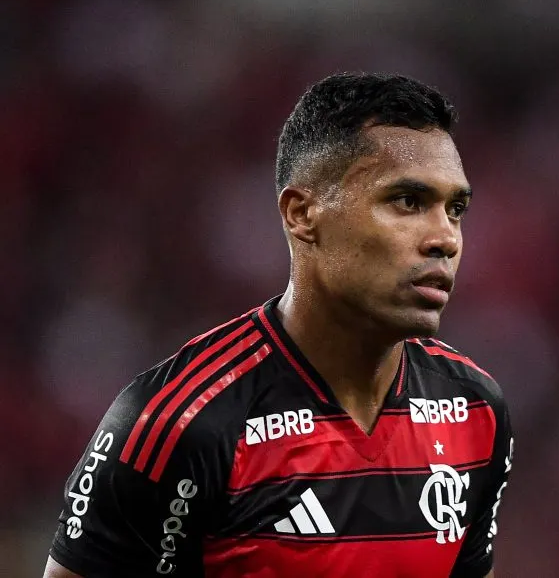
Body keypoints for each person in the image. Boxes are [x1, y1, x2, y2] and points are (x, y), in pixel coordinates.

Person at [43, 73, 514, 578]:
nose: (445, 238)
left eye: (456, 209)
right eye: (407, 202)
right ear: (302, 213)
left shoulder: (475, 410)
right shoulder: (182, 422)